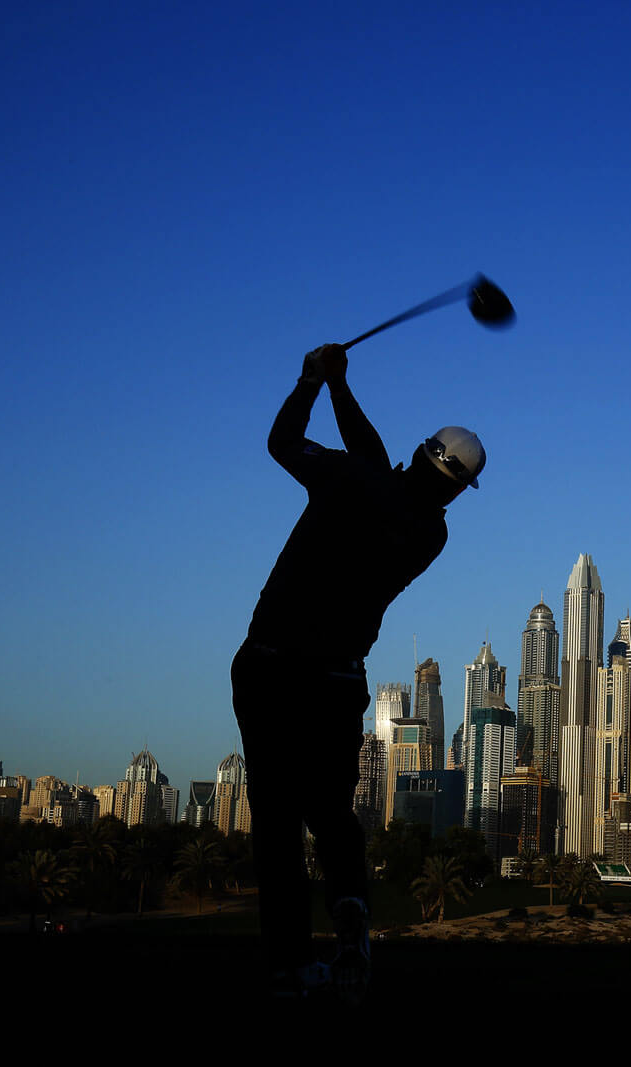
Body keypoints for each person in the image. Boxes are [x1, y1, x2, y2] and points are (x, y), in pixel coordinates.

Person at [231, 342, 484, 1000]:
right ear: (457, 489)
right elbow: (377, 465)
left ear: (420, 453)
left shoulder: (348, 478)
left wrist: (314, 381)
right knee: (331, 812)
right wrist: (340, 386)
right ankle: (350, 914)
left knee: (277, 822)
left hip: (270, 666)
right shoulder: (430, 533)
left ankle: (291, 963)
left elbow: (284, 442)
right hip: (338, 678)